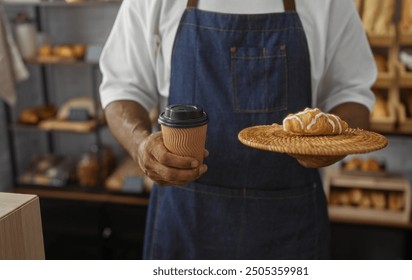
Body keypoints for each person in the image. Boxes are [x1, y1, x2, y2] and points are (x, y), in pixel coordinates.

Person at [99, 0, 376, 259]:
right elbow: (122, 88)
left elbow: (352, 94)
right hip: (185, 221)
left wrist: (331, 144)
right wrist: (140, 145)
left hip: (290, 224)